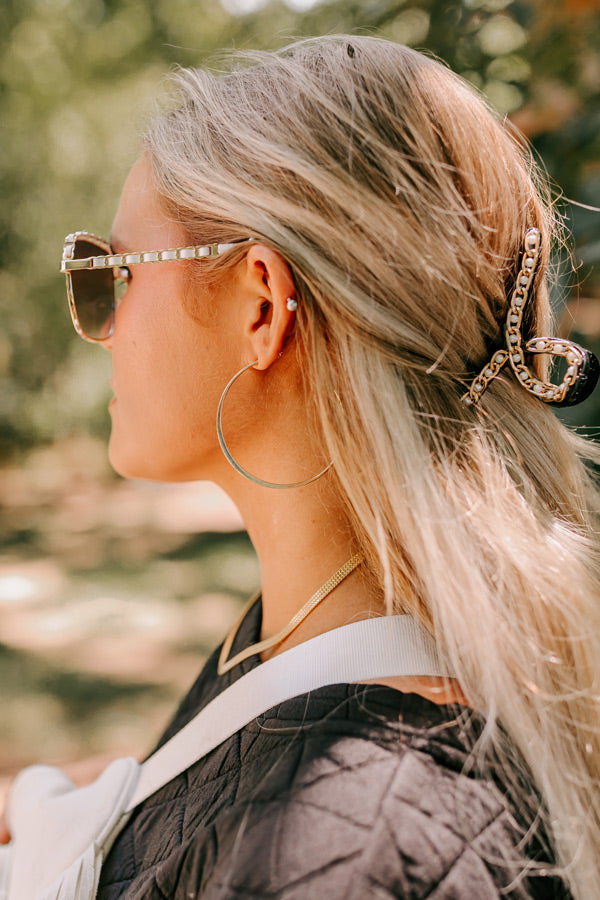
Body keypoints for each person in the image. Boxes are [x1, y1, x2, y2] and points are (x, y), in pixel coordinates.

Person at [19, 34, 600, 899]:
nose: (102, 323)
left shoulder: (346, 844)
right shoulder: (293, 635)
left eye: (113, 273)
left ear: (261, 305)